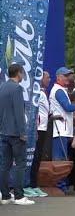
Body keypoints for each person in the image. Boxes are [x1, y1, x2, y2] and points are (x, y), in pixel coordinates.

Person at [0, 64, 35, 205]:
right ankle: (19, 196)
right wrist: (23, 132)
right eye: (23, 73)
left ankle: (5, 195)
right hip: (15, 133)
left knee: (5, 164)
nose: (23, 76)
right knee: (20, 164)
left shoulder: (2, 87)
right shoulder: (17, 88)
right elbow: (19, 112)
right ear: (19, 73)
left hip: (3, 132)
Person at [49, 67, 75, 193]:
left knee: (63, 159)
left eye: (69, 76)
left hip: (64, 129)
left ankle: (63, 186)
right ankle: (60, 187)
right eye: (66, 76)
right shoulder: (59, 90)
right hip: (60, 130)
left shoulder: (61, 90)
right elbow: (68, 107)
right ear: (59, 77)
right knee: (60, 159)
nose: (68, 78)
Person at [26, 70, 50, 198]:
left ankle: (34, 185)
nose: (49, 79)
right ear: (41, 79)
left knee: (37, 157)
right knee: (34, 157)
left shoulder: (43, 93)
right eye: (47, 77)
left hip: (43, 128)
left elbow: (44, 111)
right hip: (37, 129)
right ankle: (29, 185)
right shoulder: (37, 94)